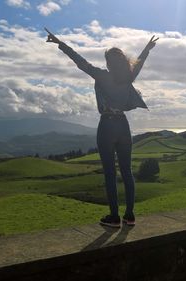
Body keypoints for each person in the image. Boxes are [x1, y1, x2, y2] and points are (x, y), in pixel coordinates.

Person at [46, 28, 158, 228]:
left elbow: (80, 61)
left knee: (109, 173)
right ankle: (130, 216)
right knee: (127, 171)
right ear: (122, 62)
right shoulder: (128, 77)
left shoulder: (101, 76)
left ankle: (114, 217)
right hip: (124, 126)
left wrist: (59, 43)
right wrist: (147, 48)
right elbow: (140, 62)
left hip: (107, 125)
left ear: (108, 63)